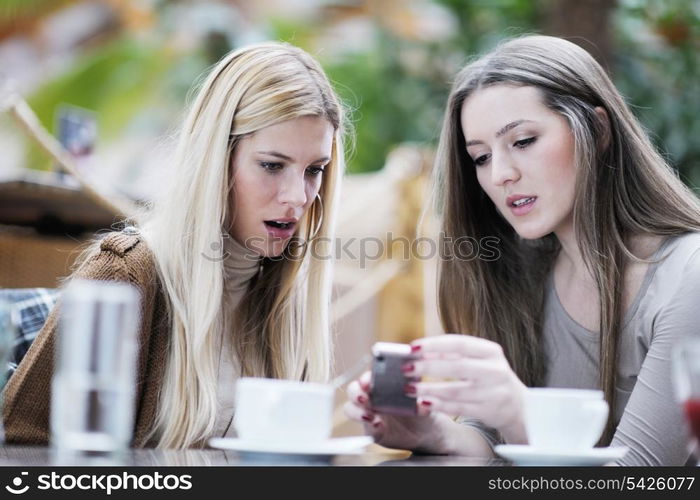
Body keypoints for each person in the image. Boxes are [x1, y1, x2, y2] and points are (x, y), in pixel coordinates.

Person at [345, 35, 700, 466]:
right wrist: (436, 433)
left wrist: (521, 414)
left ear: (599, 130)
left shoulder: (688, 275)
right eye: (479, 157)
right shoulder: (522, 270)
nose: (500, 175)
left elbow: (639, 478)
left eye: (524, 141)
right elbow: (493, 445)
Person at [3, 41, 347, 449]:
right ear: (216, 157)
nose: (297, 196)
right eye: (272, 165)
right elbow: (24, 456)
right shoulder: (125, 274)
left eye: (314, 170)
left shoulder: (288, 299)